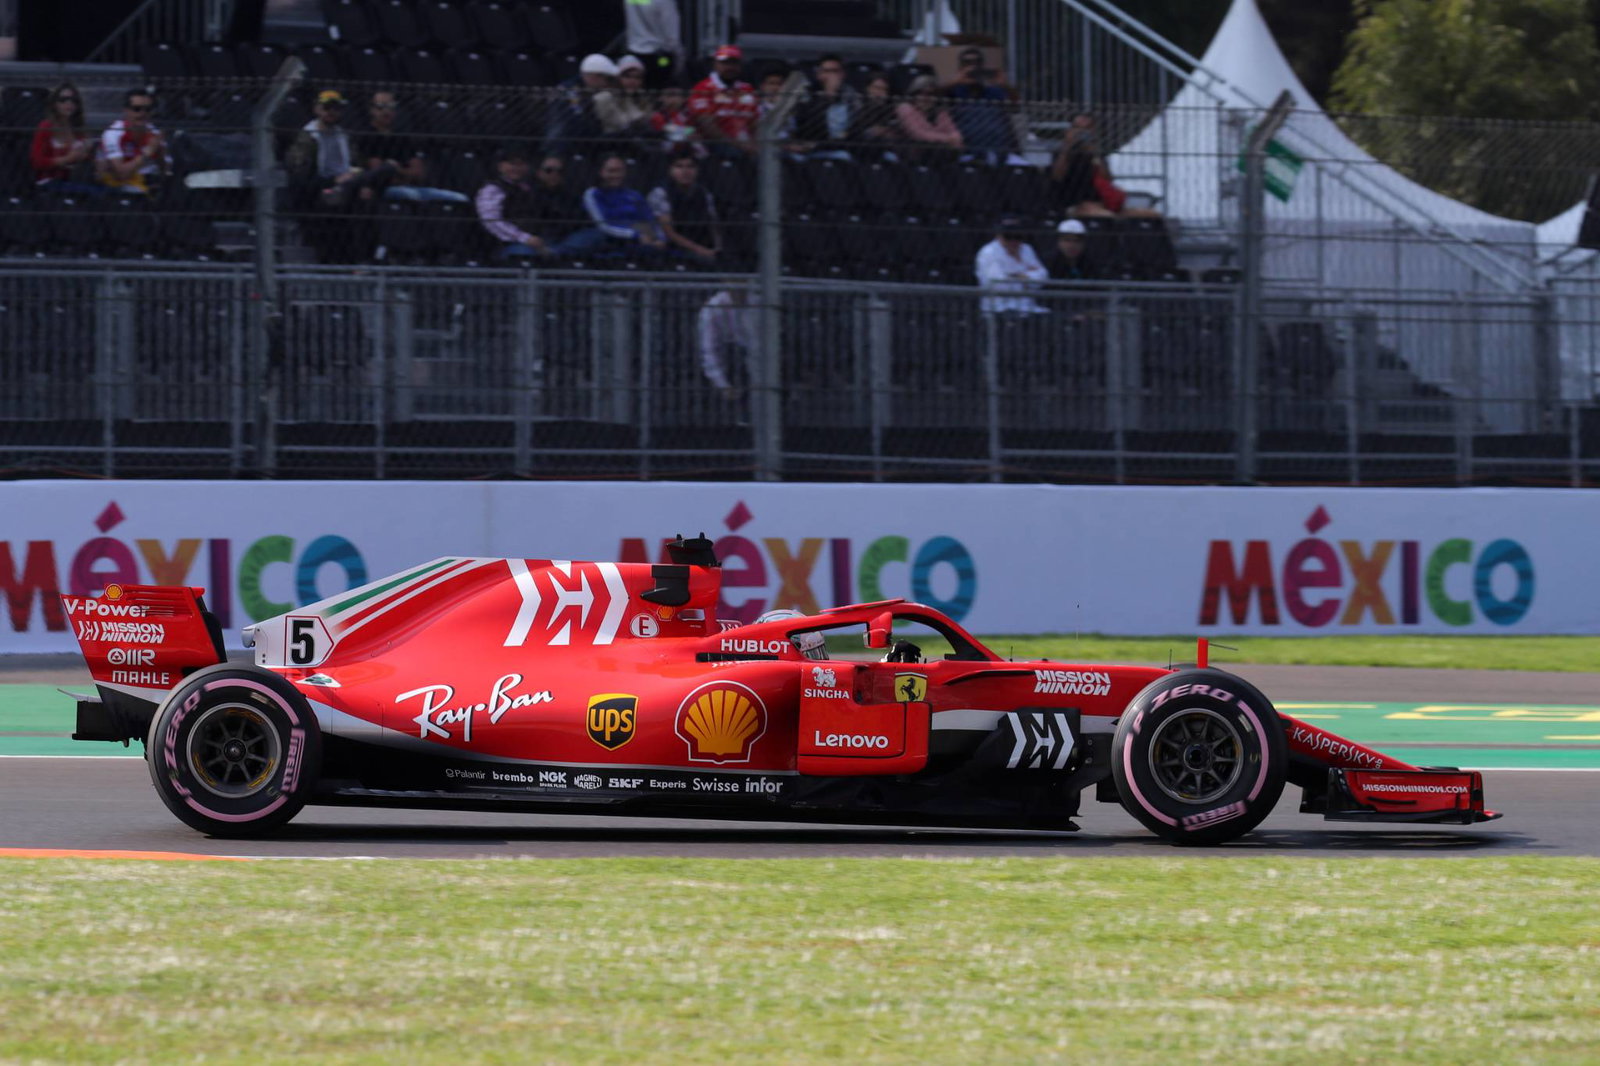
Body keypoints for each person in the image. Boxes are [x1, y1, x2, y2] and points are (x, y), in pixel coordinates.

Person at [474, 146, 608, 260]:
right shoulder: (492, 189)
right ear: (500, 166)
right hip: (516, 243)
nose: (517, 168)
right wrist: (525, 238)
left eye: (521, 164)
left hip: (546, 239)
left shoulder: (529, 187)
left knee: (594, 236)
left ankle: (556, 253)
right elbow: (492, 221)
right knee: (526, 254)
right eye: (512, 163)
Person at [354, 90, 465, 203]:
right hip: (380, 189)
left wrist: (397, 171)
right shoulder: (367, 136)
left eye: (391, 107)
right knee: (410, 194)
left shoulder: (401, 137)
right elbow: (379, 174)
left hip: (410, 187)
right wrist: (404, 174)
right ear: (371, 110)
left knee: (459, 198)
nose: (386, 111)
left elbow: (419, 173)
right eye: (381, 107)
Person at [1048, 111, 1160, 219]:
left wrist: (1095, 154)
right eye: (1078, 128)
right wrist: (1067, 147)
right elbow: (1057, 176)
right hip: (1075, 204)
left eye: (1087, 129)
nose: (1082, 133)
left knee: (1152, 215)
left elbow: (1107, 178)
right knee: (1106, 216)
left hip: (1100, 202)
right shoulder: (1061, 152)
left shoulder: (1094, 154)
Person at [942, 47, 1023, 166]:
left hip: (999, 149)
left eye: (977, 63)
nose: (973, 67)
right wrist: (956, 81)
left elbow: (1016, 107)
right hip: (968, 152)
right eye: (967, 63)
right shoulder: (955, 91)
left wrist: (1005, 86)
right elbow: (930, 97)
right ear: (960, 67)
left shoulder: (993, 91)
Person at [285, 89, 362, 207]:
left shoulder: (344, 136)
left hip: (347, 182)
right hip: (320, 187)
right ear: (317, 109)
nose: (331, 112)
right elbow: (302, 176)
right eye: (327, 107)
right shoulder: (307, 137)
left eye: (336, 108)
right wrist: (333, 181)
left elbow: (355, 162)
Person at [581, 152, 666, 255]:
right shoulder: (593, 194)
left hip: (638, 243)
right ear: (601, 172)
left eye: (620, 171)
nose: (616, 175)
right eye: (611, 171)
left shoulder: (634, 195)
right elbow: (603, 226)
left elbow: (648, 220)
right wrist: (635, 235)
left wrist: (660, 238)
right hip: (609, 242)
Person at [647, 147, 720, 264]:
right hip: (670, 247)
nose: (685, 171)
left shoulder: (703, 193)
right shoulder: (660, 193)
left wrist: (717, 248)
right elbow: (669, 233)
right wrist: (701, 250)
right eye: (679, 166)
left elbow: (712, 224)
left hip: (699, 241)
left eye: (690, 166)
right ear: (670, 169)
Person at [688, 44, 759, 158]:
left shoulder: (747, 89)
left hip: (748, 144)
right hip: (715, 144)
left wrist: (757, 144)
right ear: (715, 64)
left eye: (734, 63)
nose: (730, 67)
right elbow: (707, 126)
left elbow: (756, 122)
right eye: (725, 63)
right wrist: (740, 145)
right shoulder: (703, 88)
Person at [96, 88, 168, 195]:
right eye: (137, 109)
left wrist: (160, 153)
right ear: (126, 110)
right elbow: (121, 174)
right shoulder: (113, 133)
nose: (143, 114)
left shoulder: (154, 132)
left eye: (147, 109)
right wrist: (147, 153)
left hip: (151, 180)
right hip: (119, 186)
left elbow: (167, 171)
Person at [30, 83, 96, 194]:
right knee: (94, 193)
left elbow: (82, 158)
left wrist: (86, 154)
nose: (68, 103)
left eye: (73, 100)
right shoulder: (46, 126)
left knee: (105, 190)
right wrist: (67, 158)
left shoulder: (77, 129)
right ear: (55, 104)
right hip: (49, 181)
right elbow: (37, 161)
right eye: (63, 100)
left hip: (72, 180)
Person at [975, 215, 1048, 314]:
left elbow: (1043, 276)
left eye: (1018, 236)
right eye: (1008, 236)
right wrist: (1028, 278)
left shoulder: (1027, 249)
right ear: (999, 235)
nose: (1013, 241)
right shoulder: (989, 252)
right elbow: (998, 285)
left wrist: (1015, 276)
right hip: (999, 309)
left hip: (1028, 307)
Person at [547, 54, 617, 154]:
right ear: (594, 76)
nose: (607, 84)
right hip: (562, 147)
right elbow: (576, 120)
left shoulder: (585, 90)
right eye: (607, 79)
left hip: (580, 144)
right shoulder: (570, 91)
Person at [794, 54, 860, 159]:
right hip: (813, 146)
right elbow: (807, 124)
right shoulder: (808, 94)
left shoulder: (850, 94)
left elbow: (857, 122)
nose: (831, 76)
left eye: (835, 71)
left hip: (843, 146)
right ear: (819, 74)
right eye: (827, 71)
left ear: (842, 74)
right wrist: (827, 98)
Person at [697, 288, 756, 401]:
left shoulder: (758, 303)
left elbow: (761, 343)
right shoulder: (714, 307)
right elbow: (708, 348)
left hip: (755, 364)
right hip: (727, 363)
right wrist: (722, 384)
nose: (739, 286)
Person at [895, 75, 962, 161]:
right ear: (914, 94)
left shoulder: (940, 112)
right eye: (921, 93)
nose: (926, 97)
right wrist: (948, 139)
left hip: (939, 152)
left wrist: (956, 138)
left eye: (931, 94)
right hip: (914, 153)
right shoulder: (905, 108)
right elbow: (918, 134)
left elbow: (953, 131)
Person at [594, 55, 653, 140]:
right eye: (627, 76)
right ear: (618, 77)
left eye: (637, 77)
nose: (633, 81)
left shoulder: (641, 98)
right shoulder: (605, 97)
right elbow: (622, 124)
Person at [845, 73, 900, 160]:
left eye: (884, 90)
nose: (880, 93)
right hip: (858, 149)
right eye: (877, 88)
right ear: (868, 89)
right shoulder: (857, 107)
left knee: (892, 157)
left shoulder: (890, 110)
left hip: (883, 149)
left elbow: (893, 133)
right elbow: (853, 131)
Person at [648, 85, 700, 153]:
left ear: (683, 99)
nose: (672, 99)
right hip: (666, 146)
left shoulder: (688, 113)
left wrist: (691, 132)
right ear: (661, 98)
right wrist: (689, 131)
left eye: (675, 95)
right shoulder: (657, 115)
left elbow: (696, 130)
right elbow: (668, 128)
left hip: (689, 146)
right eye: (669, 95)